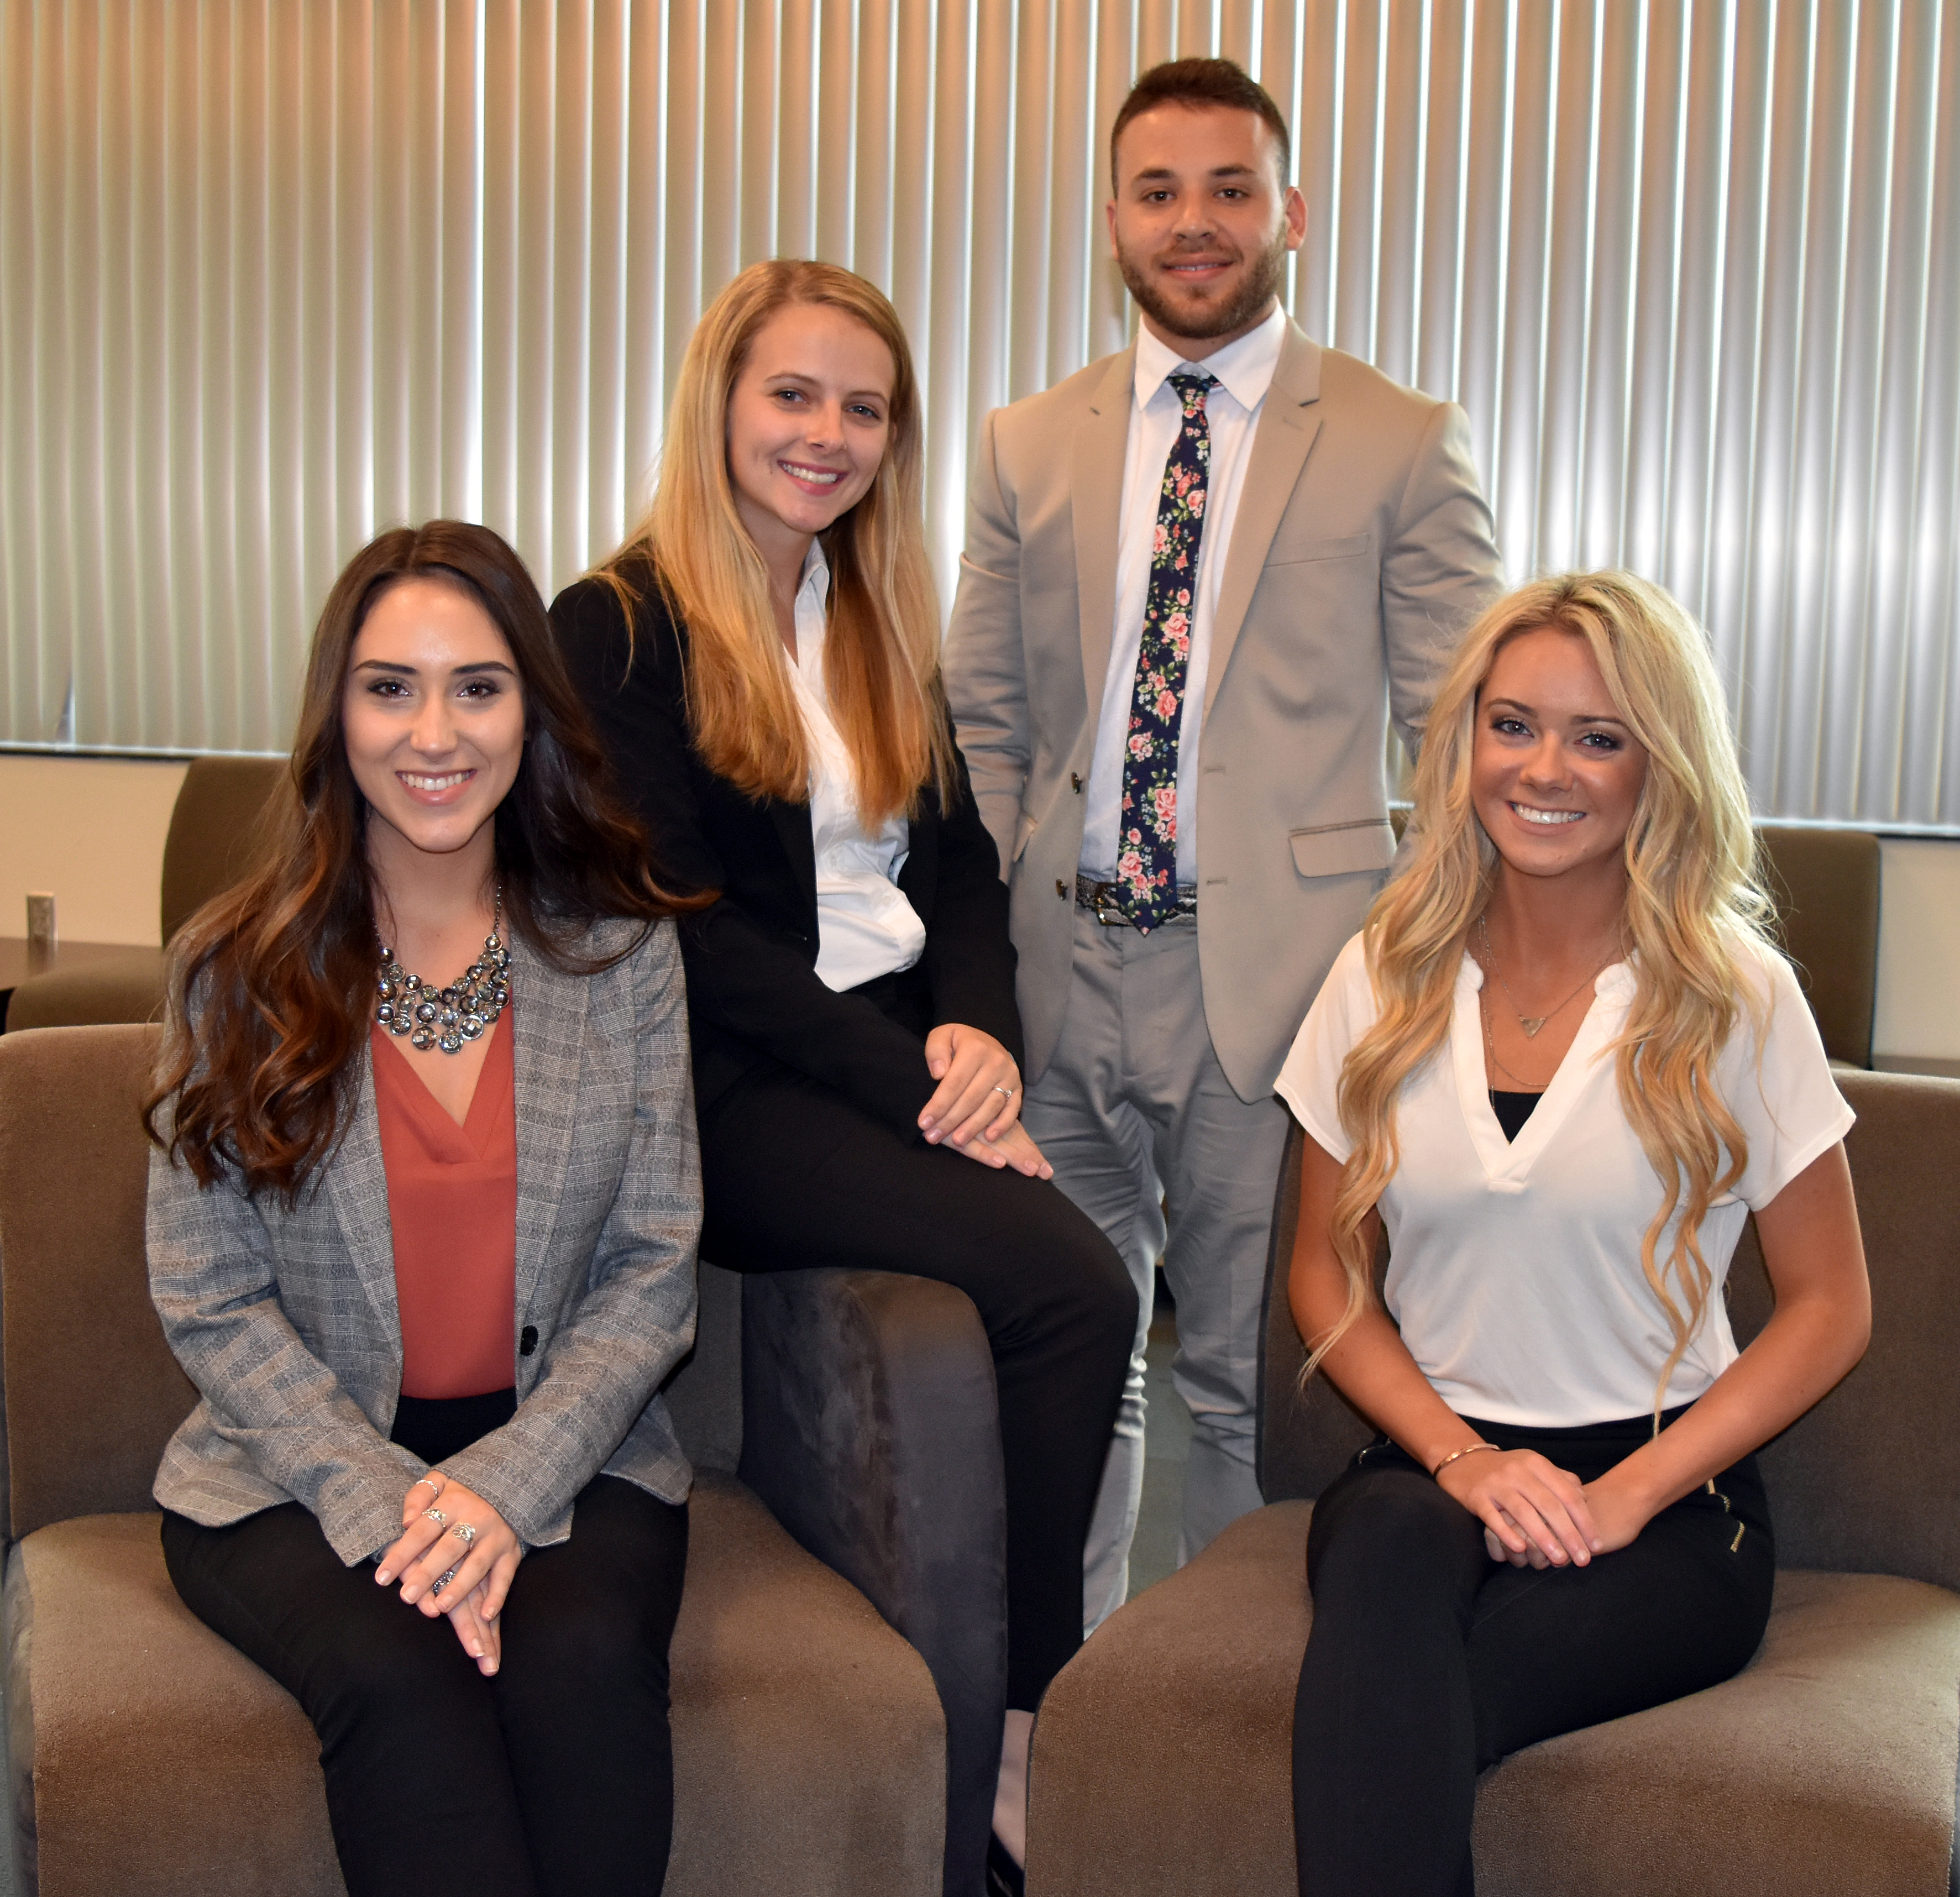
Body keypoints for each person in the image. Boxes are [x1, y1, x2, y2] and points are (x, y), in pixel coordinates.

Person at [549, 258, 1135, 1891]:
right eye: (791, 394)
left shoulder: (872, 614)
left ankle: (1019, 1722)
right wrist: (913, 1096)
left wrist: (973, 1034)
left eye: (862, 406)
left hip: (887, 1062)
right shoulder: (617, 625)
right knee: (1076, 1287)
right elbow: (684, 933)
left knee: (1069, 1292)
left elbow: (954, 869)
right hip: (724, 1093)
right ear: (721, 403)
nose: (826, 433)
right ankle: (1028, 1728)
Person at [942, 55, 1507, 1625]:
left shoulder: (1400, 439)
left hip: (1280, 988)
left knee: (1256, 1395)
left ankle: (1227, 1736)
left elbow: (1461, 737)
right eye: (1158, 190)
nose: (1194, 223)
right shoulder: (1026, 443)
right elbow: (982, 724)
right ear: (1112, 220)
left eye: (1229, 188)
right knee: (1061, 1369)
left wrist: (1399, 981)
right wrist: (990, 955)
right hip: (1055, 985)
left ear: (1290, 211)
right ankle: (1054, 1725)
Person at [1277, 571, 1870, 1895]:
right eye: (1514, 724)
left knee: (1391, 1713)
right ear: (1465, 741)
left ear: (1660, 767)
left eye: (1599, 737)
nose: (1547, 769)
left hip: (1669, 1507)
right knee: (1383, 1562)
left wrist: (1619, 1502)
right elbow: (1323, 1268)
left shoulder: (1738, 996)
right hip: (1427, 1471)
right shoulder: (1382, 965)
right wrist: (1463, 1461)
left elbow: (1832, 1305)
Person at [145, 521, 702, 1897]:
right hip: (295, 1468)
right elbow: (209, 1294)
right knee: (401, 1672)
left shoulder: (623, 952)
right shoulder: (231, 967)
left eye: (478, 685)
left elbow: (653, 1273)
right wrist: (395, 1505)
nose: (433, 731)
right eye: (390, 686)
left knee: (576, 1659)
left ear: (533, 711)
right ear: (336, 714)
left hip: (581, 1449)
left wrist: (504, 1491)